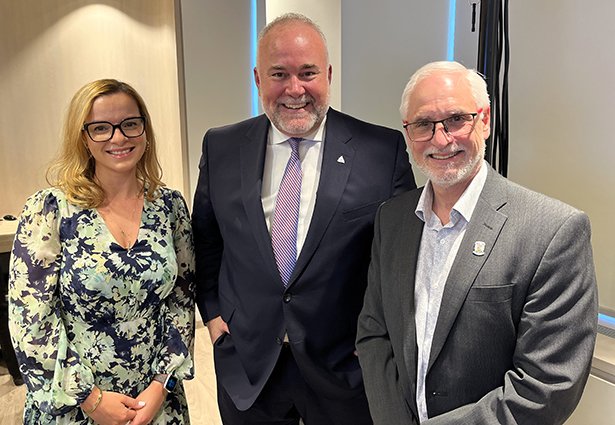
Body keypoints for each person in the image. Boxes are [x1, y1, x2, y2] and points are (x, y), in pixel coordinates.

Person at [192, 13, 416, 425]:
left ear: (328, 75)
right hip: (248, 366)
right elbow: (207, 239)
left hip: (343, 370)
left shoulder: (382, 151)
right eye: (279, 74)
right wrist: (213, 315)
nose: (295, 89)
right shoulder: (222, 146)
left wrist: (379, 337)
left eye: (308, 73)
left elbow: (401, 261)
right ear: (258, 79)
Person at [356, 60, 598, 425]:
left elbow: (547, 386)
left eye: (456, 119)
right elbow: (374, 335)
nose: (441, 140)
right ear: (408, 133)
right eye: (424, 124)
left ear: (484, 120)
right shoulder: (393, 219)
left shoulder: (553, 231)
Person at [8, 79, 195, 425]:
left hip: (154, 400)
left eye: (130, 124)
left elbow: (181, 300)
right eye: (101, 128)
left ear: (145, 130)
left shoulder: (169, 206)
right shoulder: (50, 209)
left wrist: (162, 384)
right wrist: (90, 400)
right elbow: (30, 321)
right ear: (83, 137)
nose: (119, 138)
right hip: (76, 402)